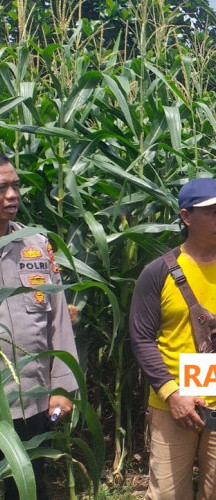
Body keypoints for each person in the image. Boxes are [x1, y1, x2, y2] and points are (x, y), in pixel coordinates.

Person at [130, 177, 216, 499]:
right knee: (166, 493)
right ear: (186, 217)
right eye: (212, 213)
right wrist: (172, 394)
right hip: (173, 403)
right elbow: (141, 337)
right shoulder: (158, 272)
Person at [0, 154, 78, 500]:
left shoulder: (36, 246)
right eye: (2, 188)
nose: (12, 195)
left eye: (15, 185)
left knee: (29, 487)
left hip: (30, 399)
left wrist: (61, 387)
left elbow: (57, 319)